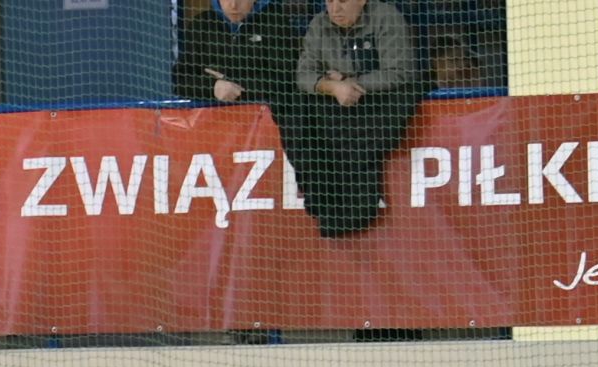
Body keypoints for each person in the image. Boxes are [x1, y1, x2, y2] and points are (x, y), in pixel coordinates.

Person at [285, 0, 428, 237]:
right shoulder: (319, 24)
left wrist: (350, 83)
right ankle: (322, 198)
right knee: (294, 107)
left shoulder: (386, 17)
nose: (335, 9)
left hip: (377, 102)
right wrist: (332, 87)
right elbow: (303, 75)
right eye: (329, 1)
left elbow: (400, 72)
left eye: (342, 1)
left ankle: (361, 202)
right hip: (335, 102)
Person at [173, 0, 302, 106]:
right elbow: (180, 80)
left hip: (265, 119)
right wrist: (213, 87)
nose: (234, 5)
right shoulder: (201, 25)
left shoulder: (276, 23)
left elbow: (285, 78)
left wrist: (231, 85)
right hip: (212, 121)